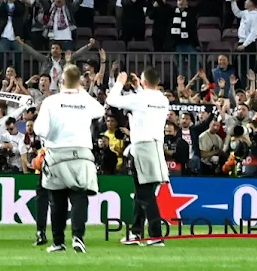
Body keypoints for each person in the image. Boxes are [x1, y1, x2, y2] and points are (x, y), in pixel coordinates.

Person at [33, 64, 104, 253]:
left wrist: (50, 136)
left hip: (57, 152)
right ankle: (78, 237)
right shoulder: (85, 100)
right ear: (79, 81)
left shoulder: (51, 101)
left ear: (61, 81)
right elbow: (101, 111)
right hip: (81, 153)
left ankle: (58, 242)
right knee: (80, 196)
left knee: (57, 199)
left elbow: (39, 129)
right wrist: (80, 92)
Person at [106, 69, 169, 246]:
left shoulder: (140, 99)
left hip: (143, 146)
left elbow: (112, 100)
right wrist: (138, 88)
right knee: (143, 190)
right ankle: (136, 233)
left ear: (143, 81)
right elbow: (146, 104)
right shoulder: (162, 99)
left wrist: (120, 82)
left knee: (145, 193)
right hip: (156, 147)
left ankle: (156, 235)